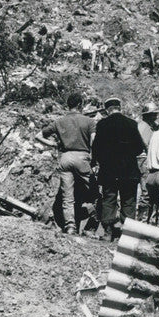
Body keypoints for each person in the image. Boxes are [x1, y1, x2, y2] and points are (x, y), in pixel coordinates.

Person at [39, 92, 96, 233]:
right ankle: (94, 223)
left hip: (65, 158)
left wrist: (53, 145)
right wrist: (93, 160)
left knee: (67, 196)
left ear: (68, 105)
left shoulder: (59, 121)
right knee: (96, 191)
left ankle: (70, 226)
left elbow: (38, 135)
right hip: (82, 157)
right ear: (80, 105)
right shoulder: (89, 121)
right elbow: (94, 142)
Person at [91, 97, 145, 240]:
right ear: (119, 108)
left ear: (108, 109)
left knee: (109, 199)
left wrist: (99, 161)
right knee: (129, 200)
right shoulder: (132, 124)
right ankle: (127, 235)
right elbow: (140, 148)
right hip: (129, 170)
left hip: (109, 170)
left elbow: (96, 148)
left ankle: (108, 233)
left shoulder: (102, 124)